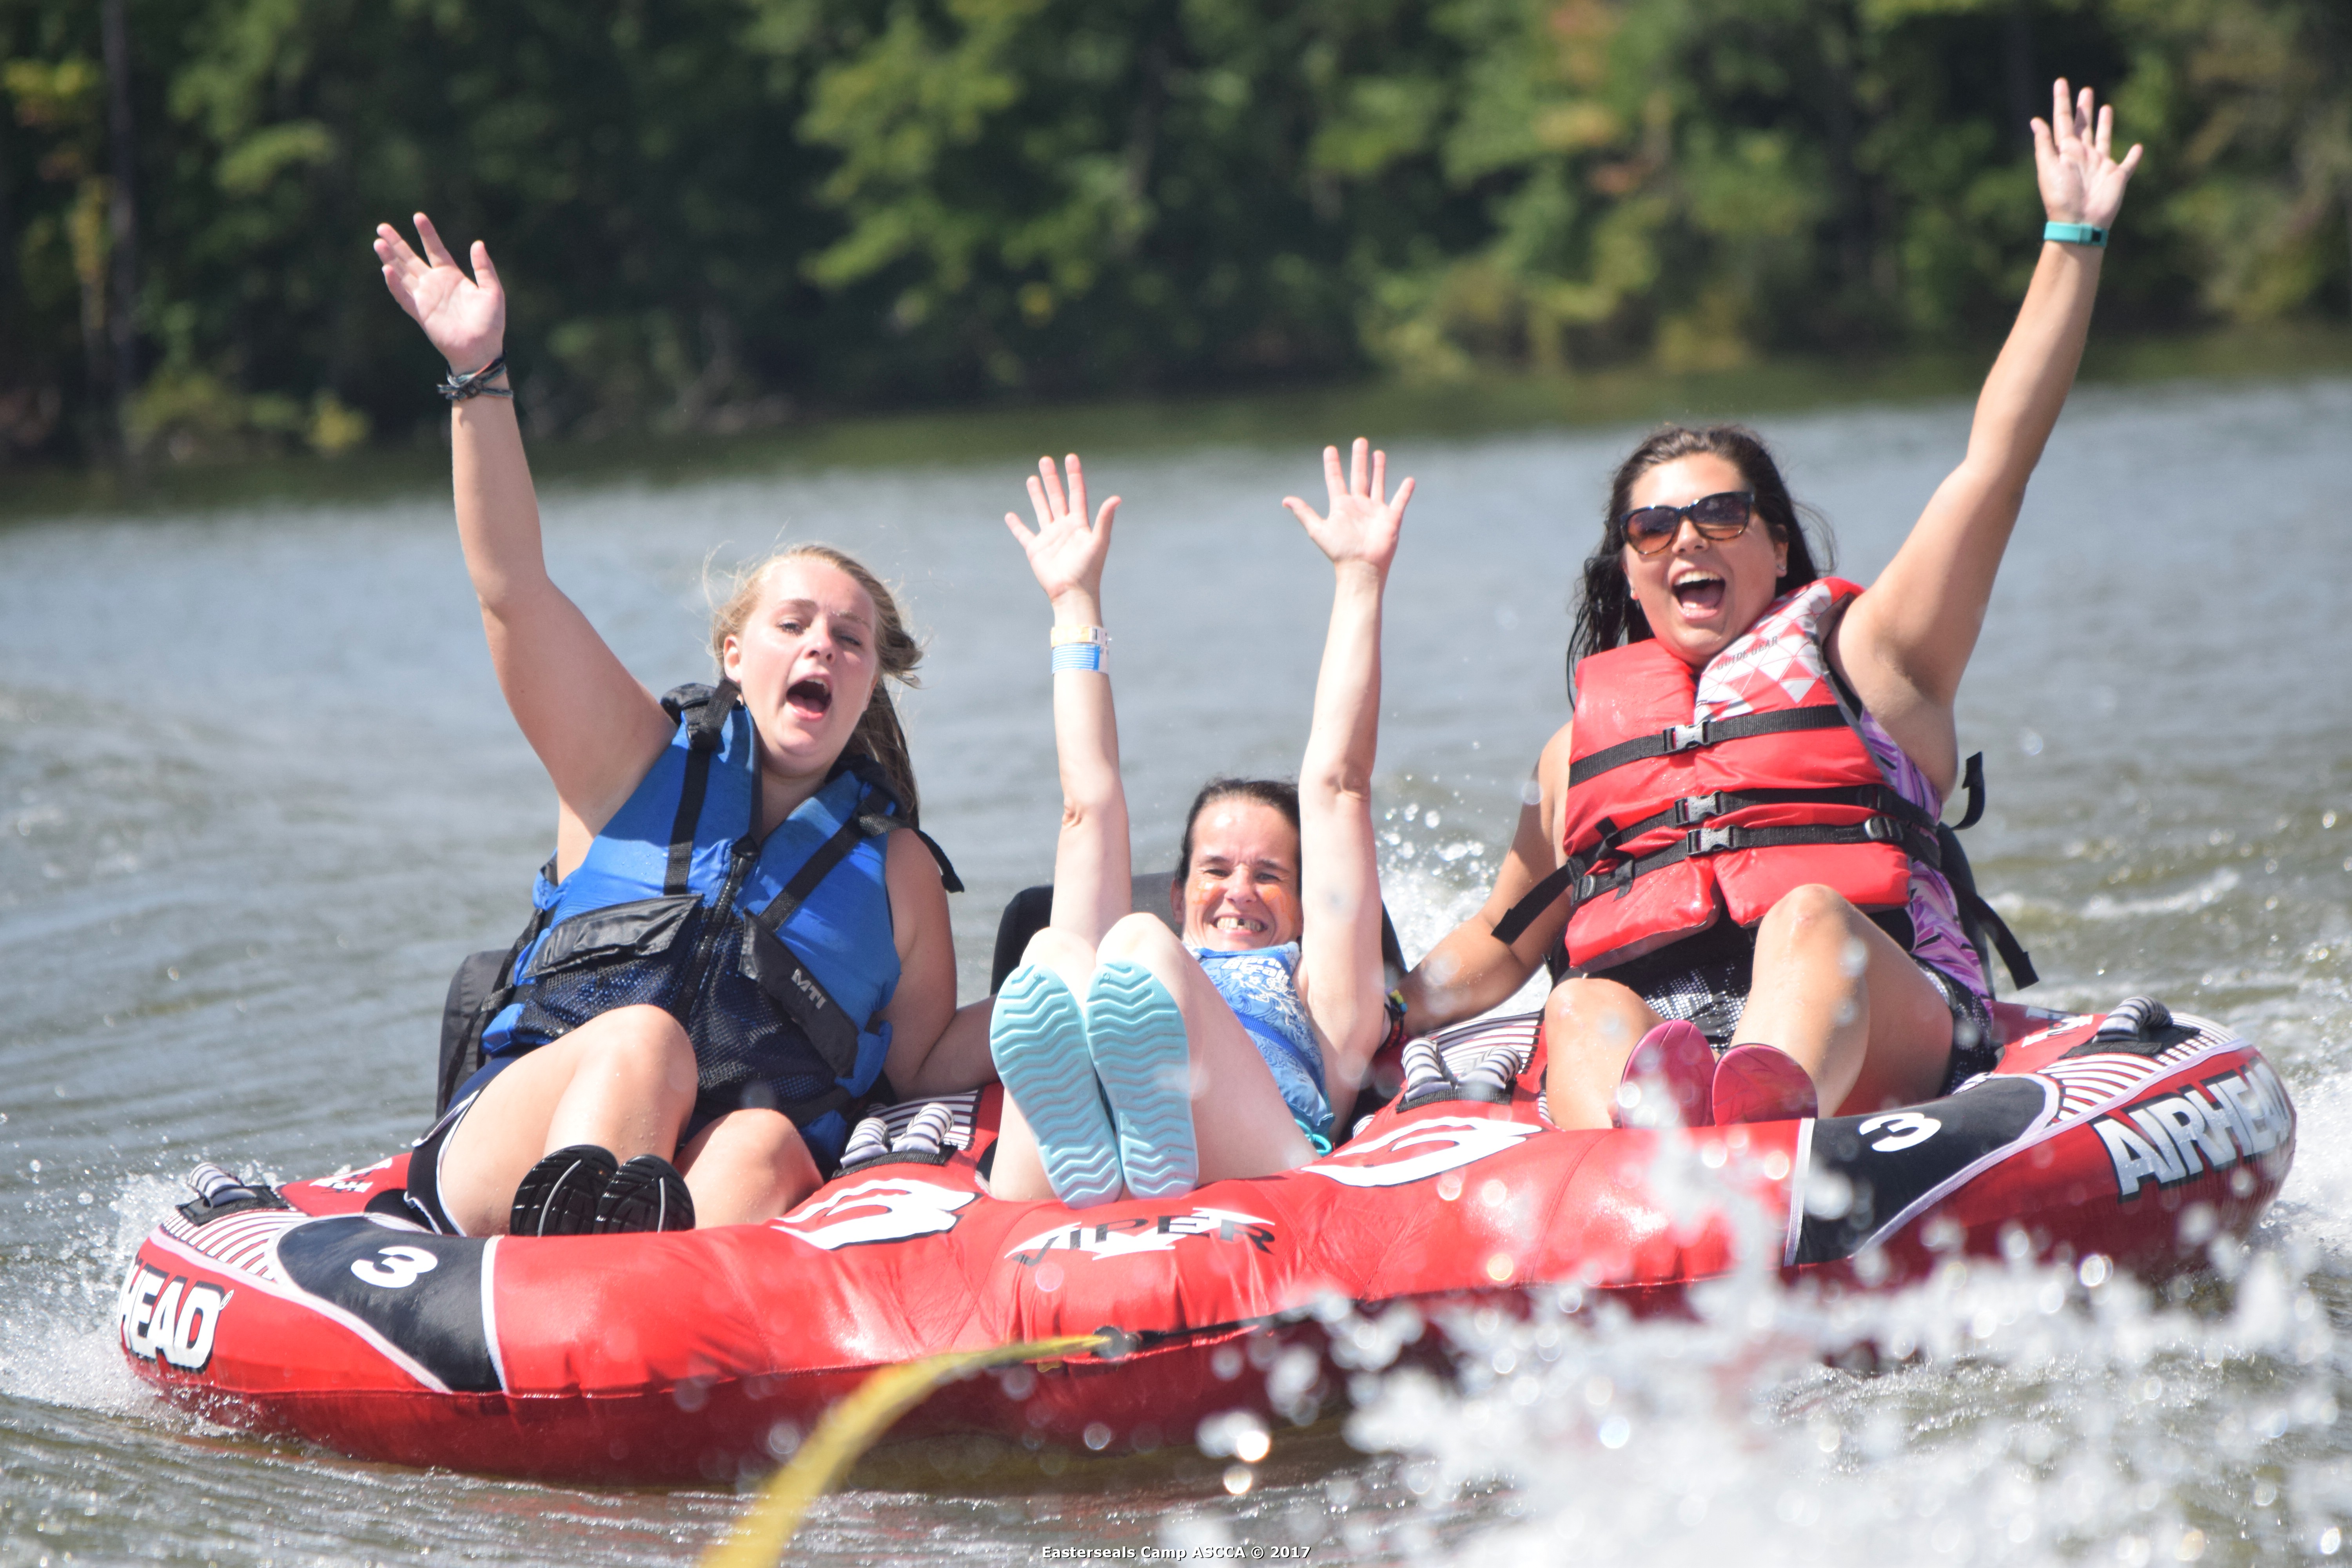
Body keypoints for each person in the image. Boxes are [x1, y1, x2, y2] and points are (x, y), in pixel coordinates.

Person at [1394, 80, 2141, 1131]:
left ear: (1777, 543)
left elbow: (1993, 468)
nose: (1687, 539)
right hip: (1668, 1044)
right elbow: (1500, 940)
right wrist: (1374, 1011)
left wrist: (2072, 240)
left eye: (1721, 514)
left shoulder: (1873, 663)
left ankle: (1758, 1117)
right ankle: (1658, 1156)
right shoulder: (1574, 758)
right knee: (1578, 1003)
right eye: (1654, 527)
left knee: (1807, 918)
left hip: (1878, 1026)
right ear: (1628, 569)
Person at [372, 214, 984, 1236]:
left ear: (871, 681)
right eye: (794, 625)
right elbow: (513, 588)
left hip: (701, 1200)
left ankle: (640, 1294)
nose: (823, 648)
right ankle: (570, 1258)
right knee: (645, 1041)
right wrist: (478, 376)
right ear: (734, 655)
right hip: (517, 1143)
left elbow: (920, 1066)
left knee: (769, 1144)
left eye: (850, 640)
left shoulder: (900, 872)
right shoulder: (627, 760)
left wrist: (1079, 980)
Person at [986, 445, 1405, 1205]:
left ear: (1306, 905)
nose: (1239, 889)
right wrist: (1074, 603)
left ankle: (1156, 1138)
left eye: (1269, 874)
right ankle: (1110, 1143)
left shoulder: (1324, 996)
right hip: (1073, 1174)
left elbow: (1339, 785)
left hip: (1261, 1153)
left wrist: (1360, 579)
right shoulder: (1133, 960)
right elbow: (1088, 805)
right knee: (1055, 952)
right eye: (1217, 869)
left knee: (1139, 951)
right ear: (1179, 892)